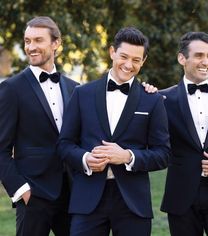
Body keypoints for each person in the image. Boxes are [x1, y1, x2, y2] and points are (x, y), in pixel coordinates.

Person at [57, 27, 170, 236]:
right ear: (112, 52)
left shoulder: (152, 100)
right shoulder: (82, 94)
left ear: (143, 61)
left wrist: (128, 156)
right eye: (124, 56)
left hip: (133, 202)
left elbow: (163, 154)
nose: (128, 65)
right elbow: (64, 144)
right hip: (88, 200)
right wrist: (85, 159)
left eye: (136, 60)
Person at [0, 16, 79, 236]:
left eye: (38, 40)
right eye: (27, 41)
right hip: (34, 195)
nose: (31, 47)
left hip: (72, 193)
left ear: (56, 43)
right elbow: (1, 149)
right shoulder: (11, 89)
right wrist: (21, 190)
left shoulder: (74, 89)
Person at [160, 31, 208, 236]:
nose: (206, 62)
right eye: (199, 55)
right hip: (181, 195)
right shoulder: (162, 99)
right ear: (182, 58)